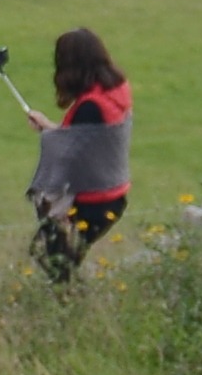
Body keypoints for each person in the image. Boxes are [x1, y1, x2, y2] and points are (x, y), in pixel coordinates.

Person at [27, 20, 135, 287]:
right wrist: (51, 128)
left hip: (90, 202)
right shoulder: (115, 90)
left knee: (55, 261)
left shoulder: (90, 107)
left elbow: (70, 158)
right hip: (113, 195)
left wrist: (50, 135)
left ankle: (73, 313)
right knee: (63, 265)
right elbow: (87, 144)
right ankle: (75, 310)